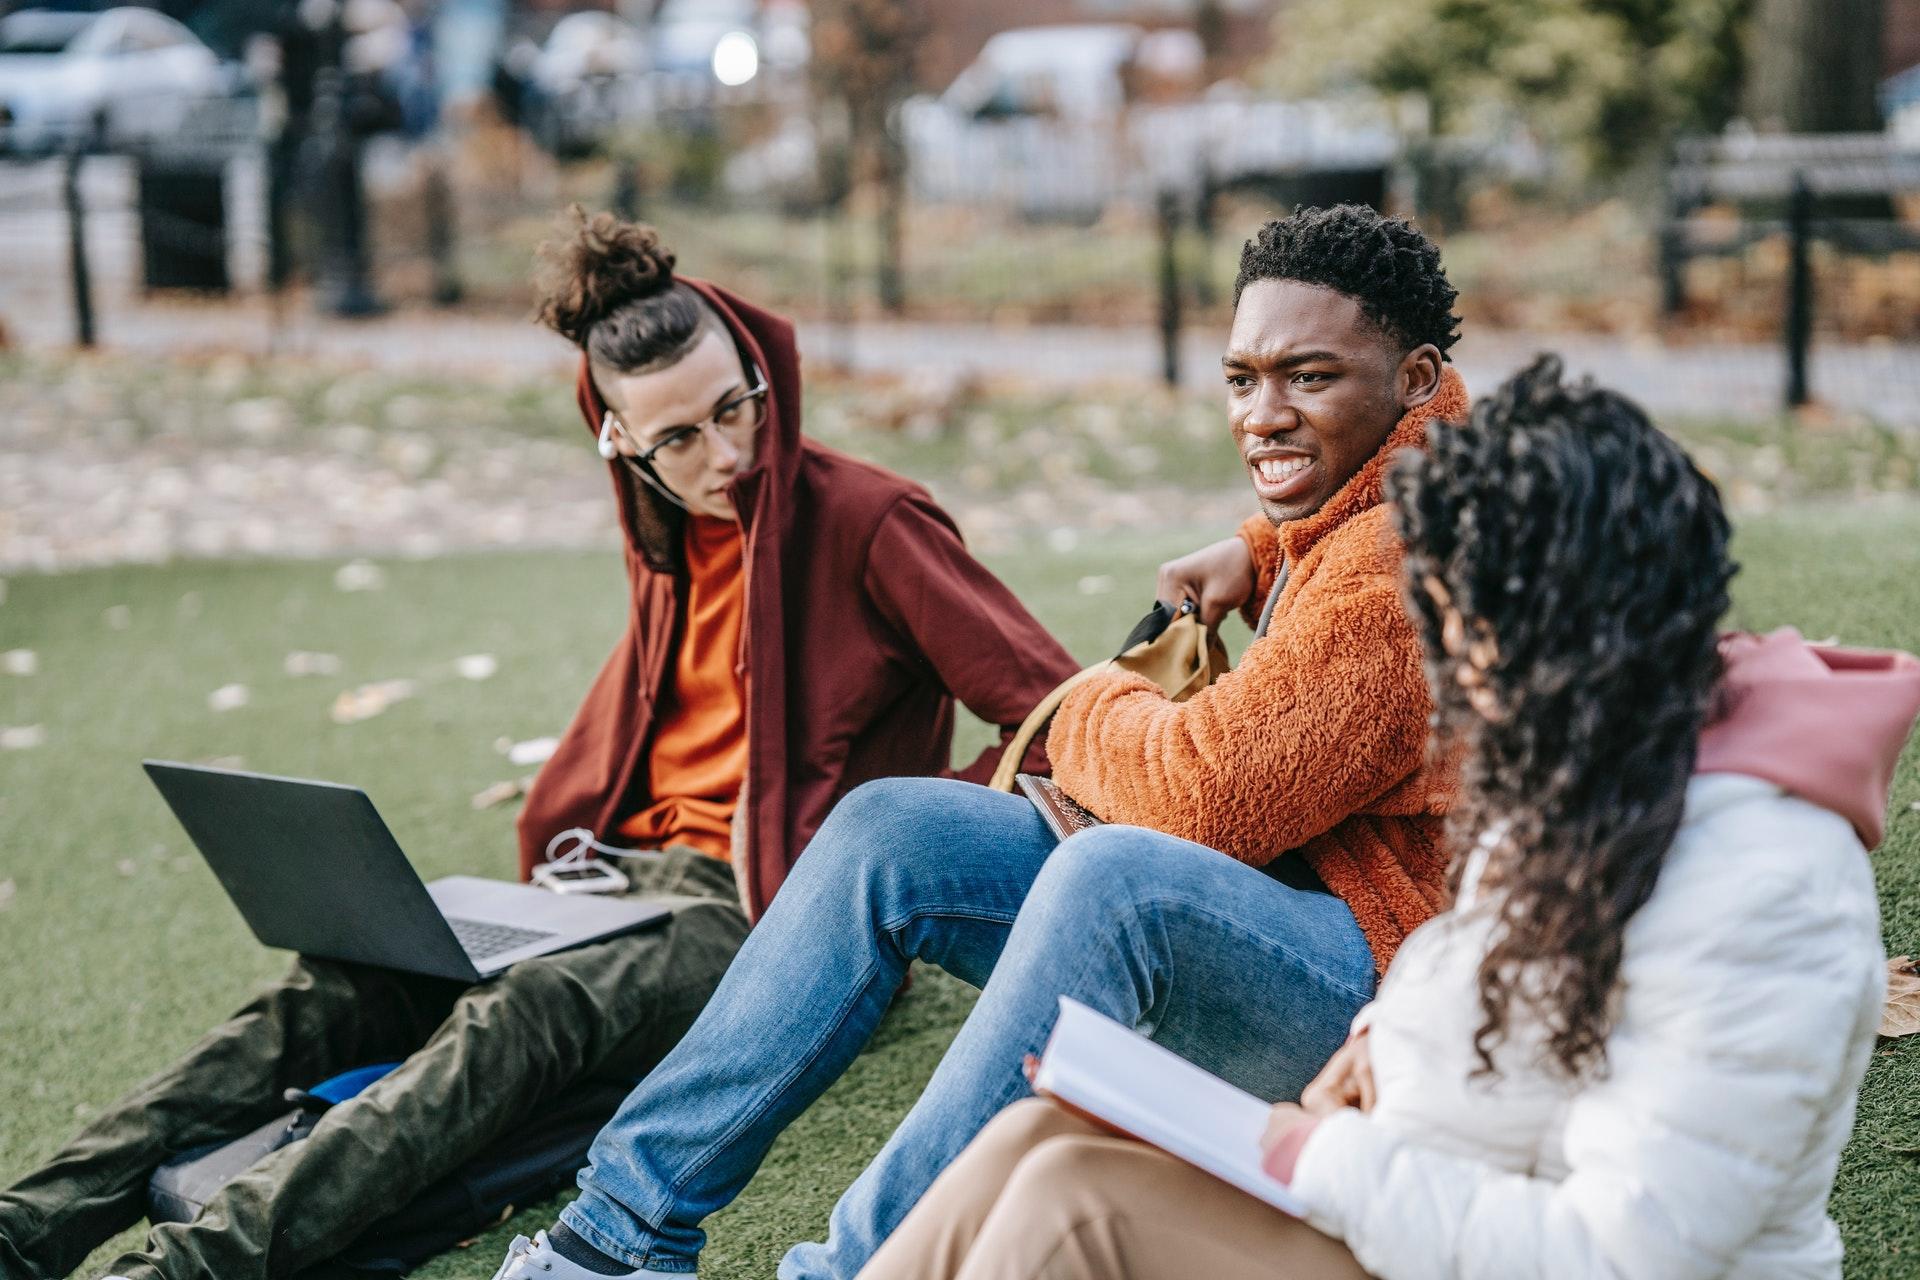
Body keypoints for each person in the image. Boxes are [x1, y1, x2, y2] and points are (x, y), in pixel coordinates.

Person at [0, 213, 1078, 1280]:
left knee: (522, 1013)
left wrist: (894, 829)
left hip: (757, 912)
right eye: (678, 438)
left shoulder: (873, 522)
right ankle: (26, 1225)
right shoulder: (668, 537)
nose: (725, 453)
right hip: (601, 881)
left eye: (734, 407)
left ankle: (186, 1269)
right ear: (621, 444)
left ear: (761, 374)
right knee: (334, 989)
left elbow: (1054, 710)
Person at [491, 203, 1470, 1280]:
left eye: (1309, 378)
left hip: (1382, 993)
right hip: (1298, 907)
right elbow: (1335, 560)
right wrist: (1260, 546)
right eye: (1243, 378)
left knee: (1118, 882)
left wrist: (1085, 701)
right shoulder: (1396, 494)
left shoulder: (1403, 563)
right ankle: (616, 1236)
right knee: (887, 830)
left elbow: (1205, 799)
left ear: (1416, 377)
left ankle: (850, 1272)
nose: (1263, 414)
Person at [854, 356, 1920, 1280]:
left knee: (1072, 1206)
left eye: (1475, 637)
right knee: (1032, 1140)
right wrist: (1379, 1042)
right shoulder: (1591, 759)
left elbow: (1618, 1254)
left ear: (1588, 628)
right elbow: (1474, 952)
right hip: (1422, 1189)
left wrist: (1319, 1156)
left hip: (1488, 1241)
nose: (1458, 675)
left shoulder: (1764, 890)